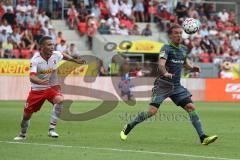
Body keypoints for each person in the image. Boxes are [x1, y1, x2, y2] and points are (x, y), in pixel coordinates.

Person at [120, 24, 218, 145]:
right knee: (152, 112)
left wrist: (193, 68)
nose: (179, 35)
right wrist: (165, 73)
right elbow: (161, 64)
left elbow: (185, 64)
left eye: (180, 33)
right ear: (170, 35)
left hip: (176, 86)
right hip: (163, 85)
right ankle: (129, 126)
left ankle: (203, 137)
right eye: (176, 33)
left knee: (191, 107)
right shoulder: (166, 48)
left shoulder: (182, 49)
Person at [14, 36, 85, 140]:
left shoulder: (56, 55)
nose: (52, 47)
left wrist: (74, 60)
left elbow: (63, 55)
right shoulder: (35, 60)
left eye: (52, 44)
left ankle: (52, 129)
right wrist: (40, 81)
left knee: (60, 100)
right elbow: (32, 77)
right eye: (49, 45)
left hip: (50, 87)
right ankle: (22, 134)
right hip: (37, 90)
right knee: (26, 116)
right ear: (42, 47)